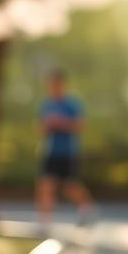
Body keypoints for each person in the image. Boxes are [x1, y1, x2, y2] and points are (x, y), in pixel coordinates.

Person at [36, 69, 94, 231]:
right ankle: (45, 222)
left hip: (68, 151)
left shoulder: (71, 104)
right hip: (50, 151)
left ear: (62, 85)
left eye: (56, 84)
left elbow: (81, 125)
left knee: (70, 186)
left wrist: (62, 123)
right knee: (46, 185)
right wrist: (48, 125)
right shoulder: (47, 104)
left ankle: (86, 209)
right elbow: (41, 128)